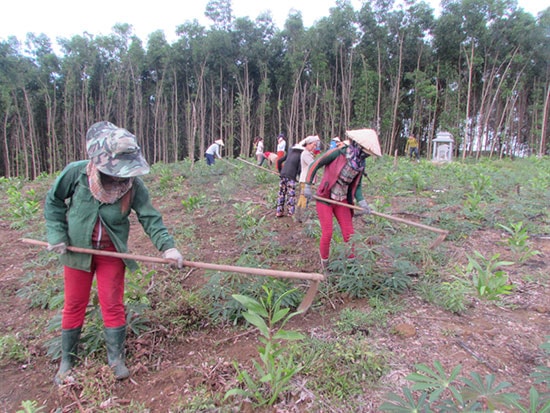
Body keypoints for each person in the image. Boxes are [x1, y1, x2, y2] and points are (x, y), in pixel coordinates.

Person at [44, 121, 185, 385]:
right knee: (74, 303)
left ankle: (116, 358)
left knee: (112, 303)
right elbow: (53, 202)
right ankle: (67, 360)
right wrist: (57, 236)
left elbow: (150, 218)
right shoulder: (76, 174)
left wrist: (168, 247)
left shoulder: (133, 187)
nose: (119, 177)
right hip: (77, 254)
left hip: (112, 254)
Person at [303, 129, 382, 271]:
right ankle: (324, 265)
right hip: (325, 197)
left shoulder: (360, 163)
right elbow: (315, 164)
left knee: (349, 233)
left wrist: (362, 202)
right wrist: (308, 185)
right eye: (365, 153)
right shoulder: (338, 153)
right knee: (327, 232)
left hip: (342, 199)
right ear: (358, 146)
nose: (366, 156)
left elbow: (356, 186)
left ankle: (352, 264)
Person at [295, 135, 321, 222]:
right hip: (305, 180)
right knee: (304, 198)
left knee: (302, 197)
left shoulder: (308, 154)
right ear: (308, 144)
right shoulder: (306, 154)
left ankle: (298, 216)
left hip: (306, 179)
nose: (314, 147)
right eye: (313, 145)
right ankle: (303, 217)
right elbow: (313, 165)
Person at [275, 142, 304, 217]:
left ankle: (279, 212)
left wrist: (280, 171)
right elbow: (299, 169)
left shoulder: (290, 152)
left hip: (283, 175)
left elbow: (279, 161)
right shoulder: (301, 155)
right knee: (291, 195)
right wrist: (301, 179)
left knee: (281, 193)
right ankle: (290, 212)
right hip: (291, 177)